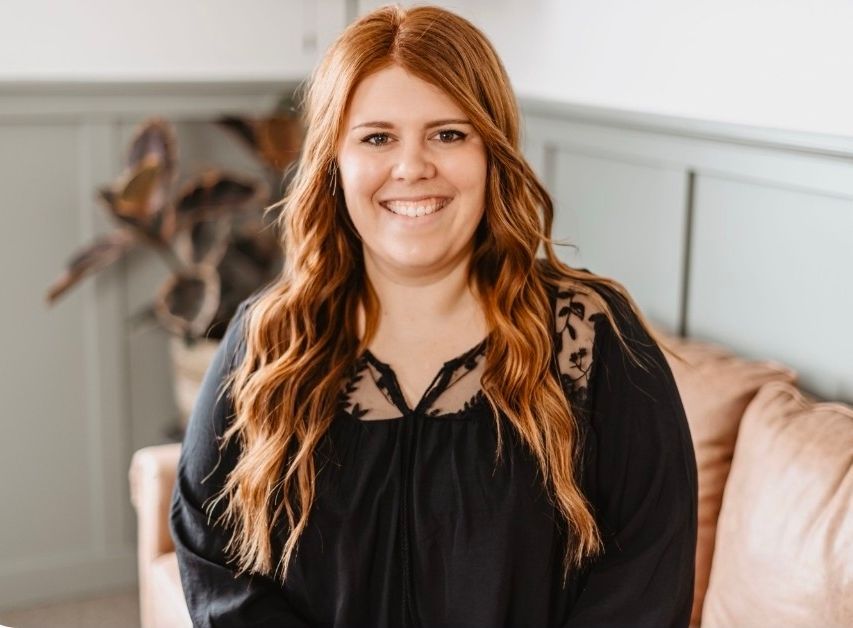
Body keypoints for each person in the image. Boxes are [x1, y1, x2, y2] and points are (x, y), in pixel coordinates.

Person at [170, 4, 698, 627]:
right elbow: (213, 554)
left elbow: (646, 569)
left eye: (449, 134)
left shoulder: (590, 338)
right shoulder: (266, 338)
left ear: (491, 153)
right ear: (334, 162)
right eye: (377, 137)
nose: (412, 167)